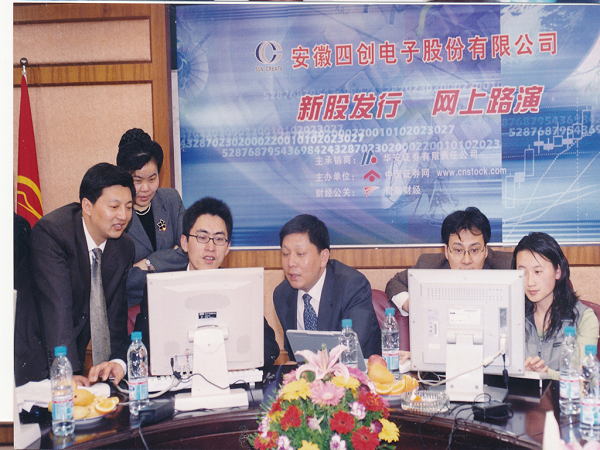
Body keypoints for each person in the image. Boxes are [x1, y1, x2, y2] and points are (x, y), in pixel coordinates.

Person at [14, 163, 136, 387]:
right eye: (114, 206)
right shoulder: (52, 233)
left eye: (129, 207)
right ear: (87, 206)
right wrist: (65, 371)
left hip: (69, 354)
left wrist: (117, 361)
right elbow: (57, 307)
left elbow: (115, 314)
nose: (123, 215)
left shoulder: (124, 247)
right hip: (31, 352)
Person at [135, 196, 280, 367]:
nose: (210, 247)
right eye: (202, 237)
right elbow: (143, 346)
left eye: (219, 239)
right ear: (184, 243)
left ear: (227, 247)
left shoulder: (240, 287)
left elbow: (269, 348)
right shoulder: (160, 289)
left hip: (230, 377)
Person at [273, 214, 381, 361]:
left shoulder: (352, 286)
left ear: (323, 257)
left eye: (300, 254)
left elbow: (349, 350)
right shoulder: (282, 294)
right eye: (285, 254)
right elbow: (294, 352)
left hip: (356, 373)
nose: (291, 263)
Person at [385, 206, 512, 314]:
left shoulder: (508, 266)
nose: (466, 260)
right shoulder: (429, 265)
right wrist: (410, 304)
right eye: (458, 250)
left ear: (486, 250)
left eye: (474, 250)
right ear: (446, 251)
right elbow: (395, 283)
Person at [117, 128, 188, 308]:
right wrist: (171, 258)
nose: (145, 189)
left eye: (152, 179)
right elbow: (124, 280)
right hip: (134, 308)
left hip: (176, 300)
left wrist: (149, 263)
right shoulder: (115, 213)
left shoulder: (171, 200)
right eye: (137, 180)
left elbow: (189, 251)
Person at [515, 232, 599, 380]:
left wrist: (543, 374)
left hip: (565, 394)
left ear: (557, 271)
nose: (529, 282)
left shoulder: (584, 318)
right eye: (523, 272)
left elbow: (584, 376)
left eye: (538, 271)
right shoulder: (511, 315)